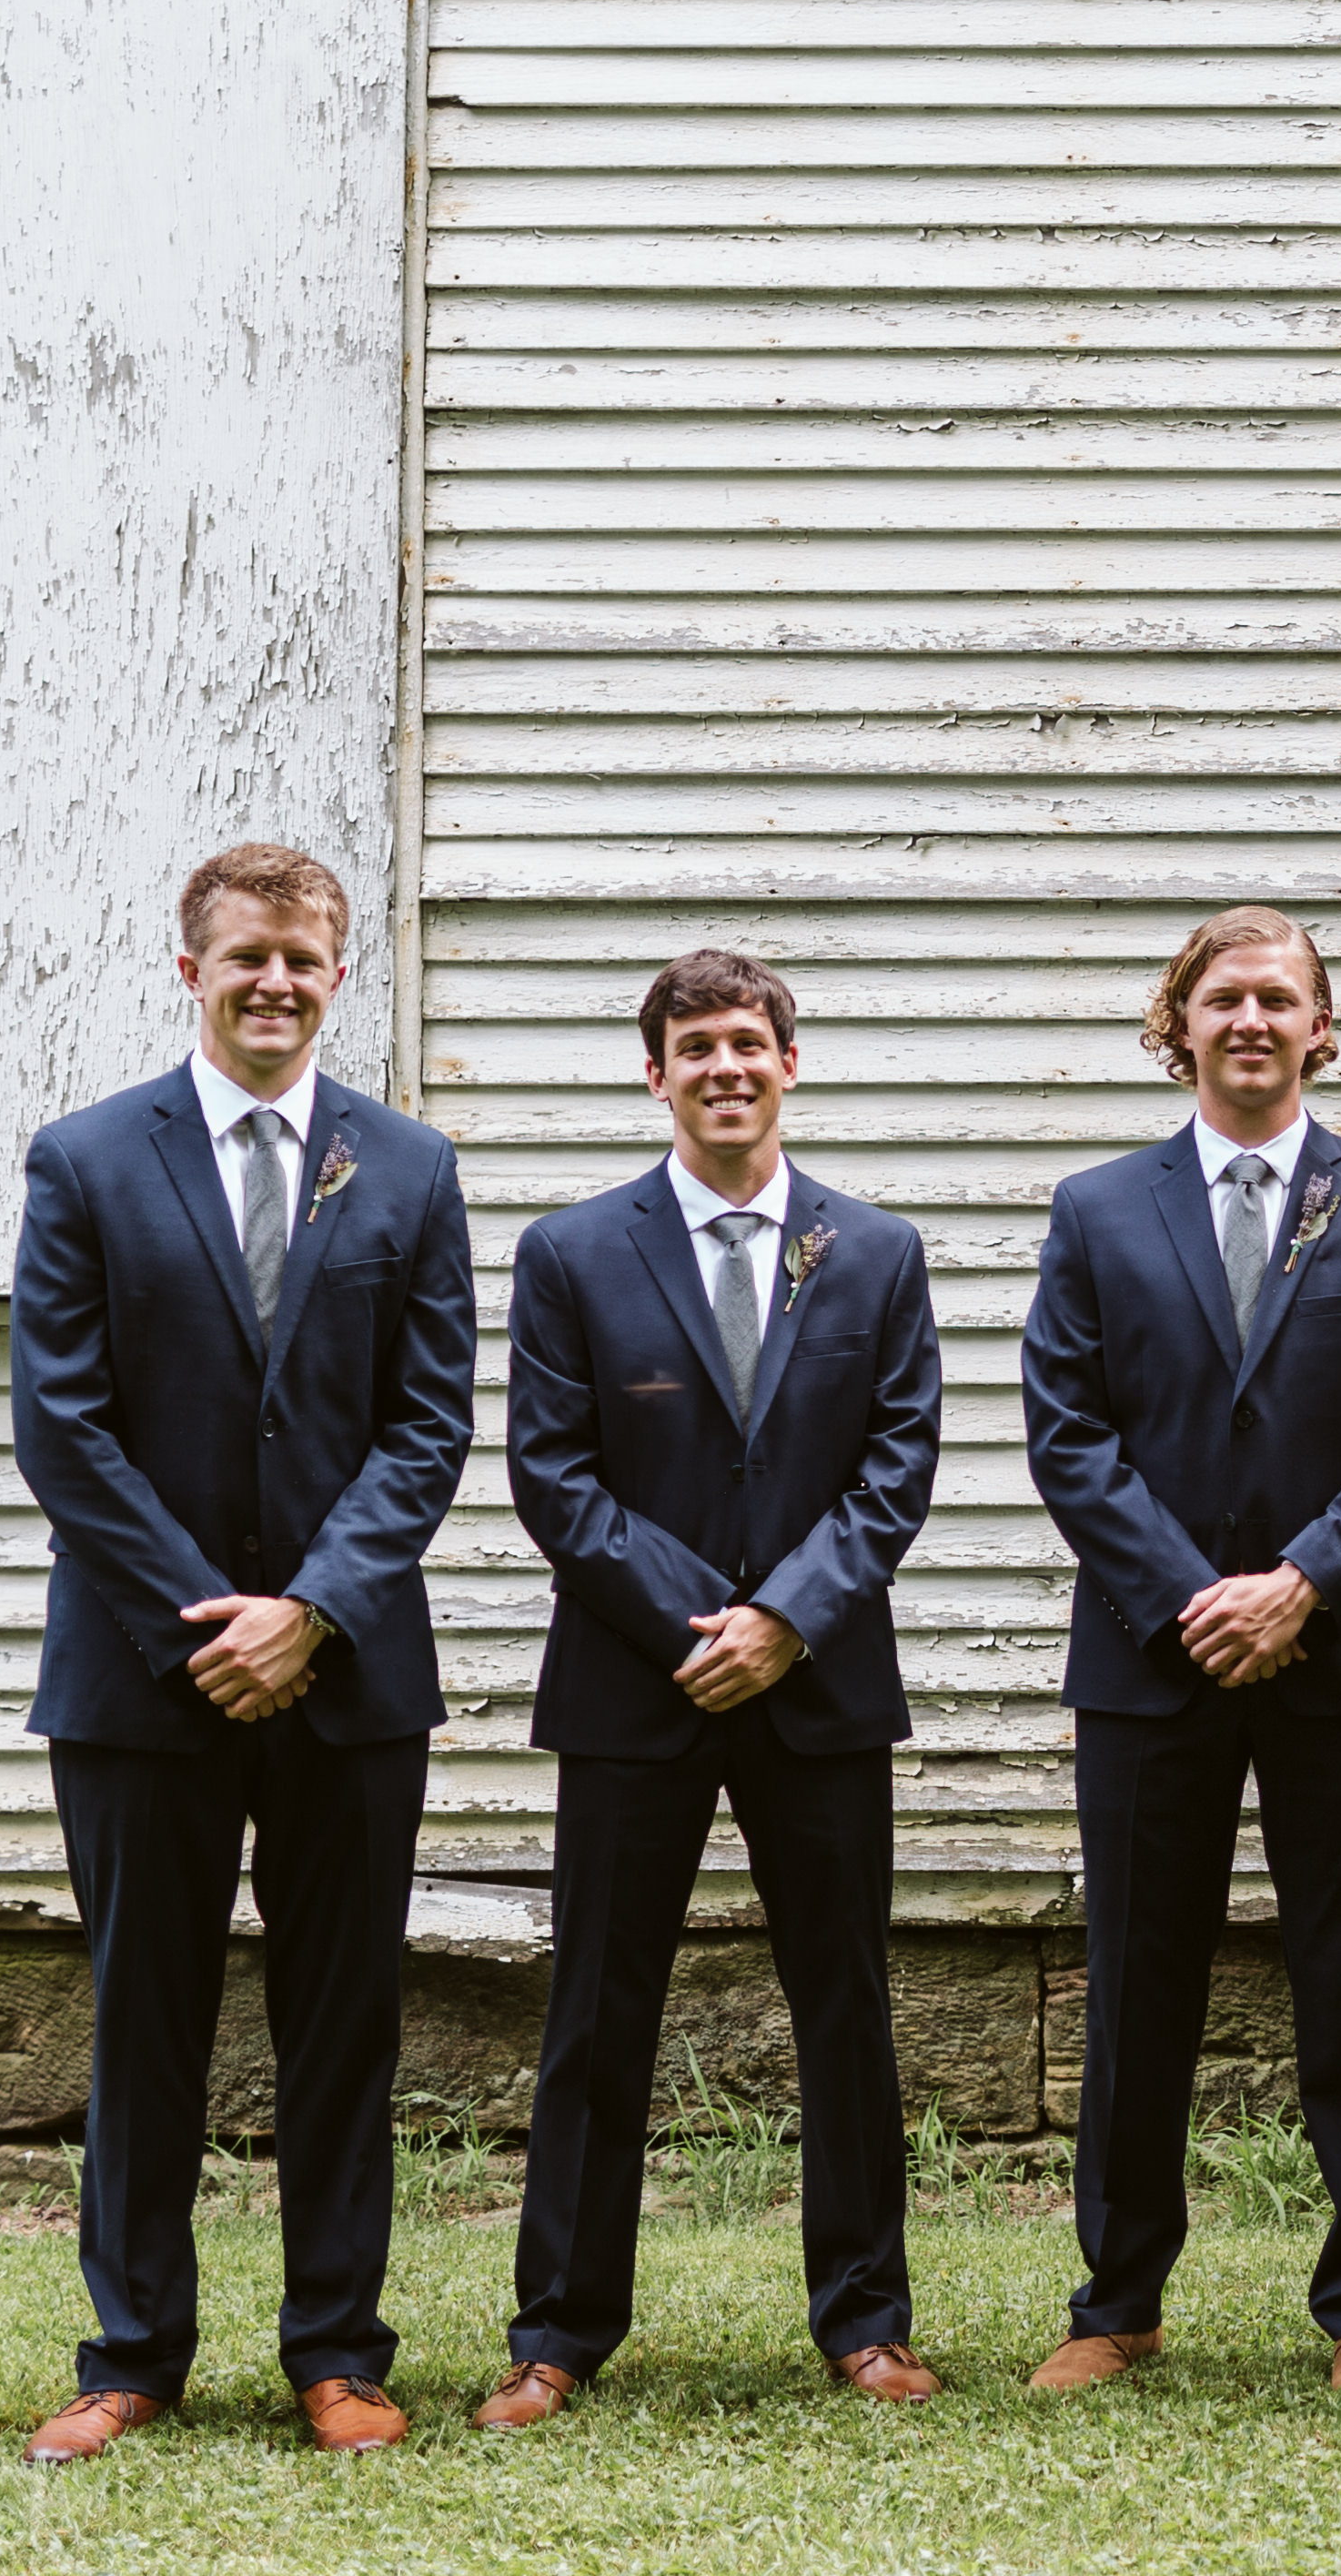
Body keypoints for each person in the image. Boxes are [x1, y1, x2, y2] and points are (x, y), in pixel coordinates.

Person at [9, 844, 474, 2465]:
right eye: (245, 956)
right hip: (145, 1679)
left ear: (340, 974)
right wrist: (208, 1618)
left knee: (343, 2020)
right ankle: (131, 2353)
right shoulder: (85, 1161)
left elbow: (426, 1431)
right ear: (188, 968)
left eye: (304, 958)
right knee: (147, 2015)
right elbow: (62, 1429)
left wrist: (313, 1611)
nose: (275, 981)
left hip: (348, 1679)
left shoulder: (408, 1170)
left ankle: (338, 2351)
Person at [478, 950, 950, 2428]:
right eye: (696, 1047)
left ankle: (865, 2321)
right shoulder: (572, 1253)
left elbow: (897, 1468)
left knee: (847, 2009)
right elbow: (552, 1477)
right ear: (655, 1073)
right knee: (598, 2013)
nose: (725, 1068)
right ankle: (557, 2334)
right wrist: (703, 1622)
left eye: (750, 1042)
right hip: (639, 1685)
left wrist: (788, 1620)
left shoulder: (875, 1251)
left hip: (818, 1690)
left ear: (790, 1063)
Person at [1017, 909, 1341, 2396]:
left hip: (1339, 1660)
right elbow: (1069, 1434)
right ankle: (1116, 2303)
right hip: (1152, 1663)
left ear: (1323, 1026)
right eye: (1225, 998)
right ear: (1181, 1023)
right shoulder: (1097, 1210)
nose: (1254, 1019)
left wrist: (1302, 1584)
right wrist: (1190, 1595)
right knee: (1137, 1984)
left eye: (1282, 997)